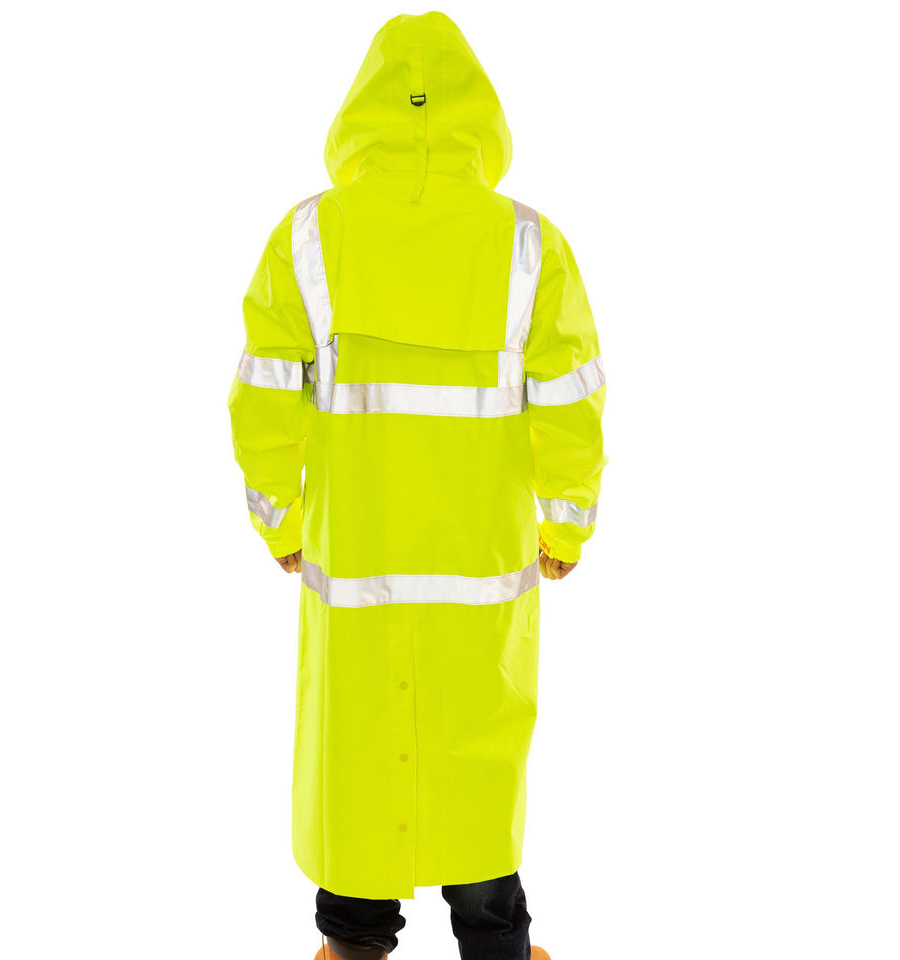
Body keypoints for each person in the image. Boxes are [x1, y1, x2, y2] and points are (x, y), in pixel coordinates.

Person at [228, 12, 606, 960]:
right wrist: (566, 524)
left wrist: (281, 519)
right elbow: (572, 394)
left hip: (356, 561)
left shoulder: (311, 236)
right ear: (482, 117)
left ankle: (353, 946)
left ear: (359, 112)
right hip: (482, 570)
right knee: (479, 753)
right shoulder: (527, 244)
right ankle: (497, 946)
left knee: (356, 753)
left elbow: (263, 392)